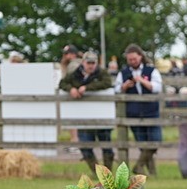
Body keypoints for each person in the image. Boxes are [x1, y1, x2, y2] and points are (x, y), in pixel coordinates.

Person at [60, 50, 114, 172]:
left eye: (93, 63)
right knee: (84, 146)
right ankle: (97, 172)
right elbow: (62, 83)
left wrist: (87, 88)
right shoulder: (75, 73)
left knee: (106, 146)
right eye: (88, 62)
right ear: (83, 62)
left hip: (101, 116)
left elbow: (107, 83)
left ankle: (108, 173)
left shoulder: (101, 73)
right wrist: (71, 89)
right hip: (83, 116)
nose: (91, 65)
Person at [117, 44, 163, 175]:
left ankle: (138, 166)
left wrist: (142, 81)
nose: (132, 62)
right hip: (133, 112)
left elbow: (157, 88)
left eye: (134, 59)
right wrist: (124, 86)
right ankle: (152, 173)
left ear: (140, 57)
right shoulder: (124, 72)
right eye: (130, 59)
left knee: (155, 141)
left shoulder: (151, 70)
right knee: (142, 144)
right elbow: (116, 89)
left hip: (151, 111)